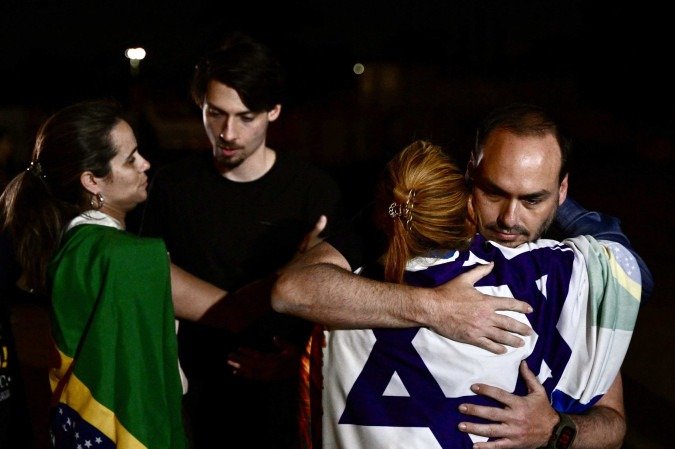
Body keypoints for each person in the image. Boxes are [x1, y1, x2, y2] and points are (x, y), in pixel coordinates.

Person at [272, 103, 653, 449]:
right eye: (494, 192)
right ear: (470, 172)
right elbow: (293, 290)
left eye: (533, 199)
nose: (509, 219)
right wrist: (435, 307)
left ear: (562, 190)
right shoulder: (412, 224)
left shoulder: (572, 269)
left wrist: (554, 429)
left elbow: (612, 422)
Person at [0, 98, 279, 449]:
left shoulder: (71, 247)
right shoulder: (128, 258)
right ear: (92, 181)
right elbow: (233, 312)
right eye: (131, 159)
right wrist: (302, 269)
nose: (146, 164)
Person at [135, 32, 344, 449]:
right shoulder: (173, 187)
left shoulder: (313, 191)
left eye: (245, 117)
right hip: (195, 394)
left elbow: (338, 301)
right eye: (215, 113)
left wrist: (295, 362)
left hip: (284, 398)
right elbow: (150, 285)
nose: (227, 132)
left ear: (273, 111)